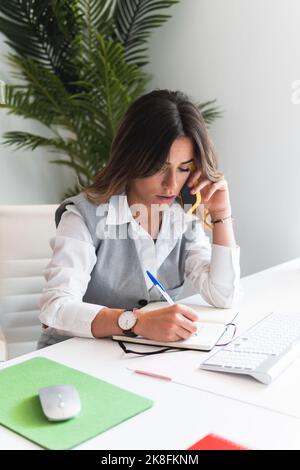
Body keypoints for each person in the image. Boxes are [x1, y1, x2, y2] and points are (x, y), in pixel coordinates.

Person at [37, 89, 240, 349]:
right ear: (132, 158)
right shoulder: (83, 216)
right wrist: (136, 322)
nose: (171, 184)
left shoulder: (182, 218)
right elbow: (55, 308)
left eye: (184, 168)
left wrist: (221, 215)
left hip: (135, 359)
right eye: (159, 167)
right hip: (71, 358)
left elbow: (223, 296)